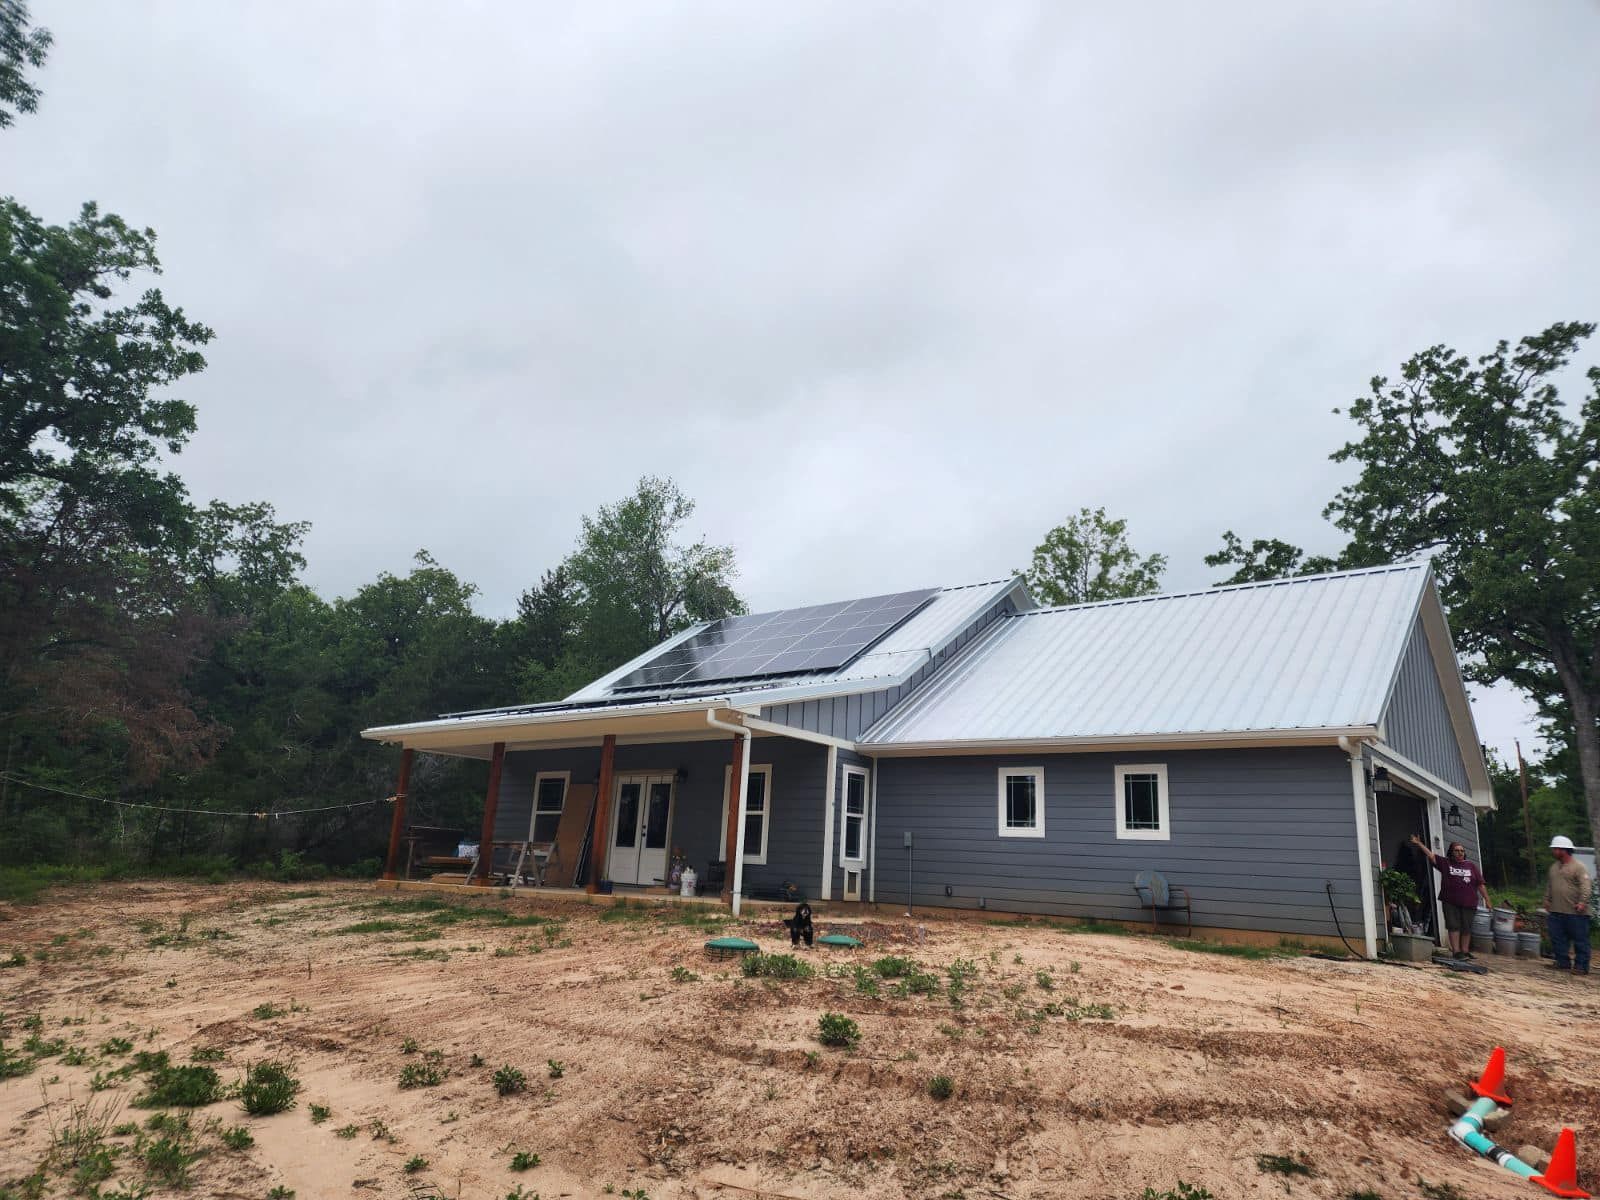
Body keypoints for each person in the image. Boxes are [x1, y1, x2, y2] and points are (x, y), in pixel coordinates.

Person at [1410, 835, 1492, 958]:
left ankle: (1465, 951)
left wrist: (1487, 900)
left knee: (1467, 927)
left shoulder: (1471, 866)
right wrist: (1419, 843)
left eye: (1462, 851)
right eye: (1457, 850)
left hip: (1469, 902)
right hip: (1450, 902)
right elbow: (1431, 856)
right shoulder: (1446, 863)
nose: (1460, 853)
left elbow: (1480, 884)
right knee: (1453, 926)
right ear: (1451, 852)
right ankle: (1456, 951)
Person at [1544, 835, 1592, 976]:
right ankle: (1562, 962)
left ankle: (1581, 966)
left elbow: (1586, 886)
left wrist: (1582, 902)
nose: (1553, 851)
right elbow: (1549, 885)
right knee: (1557, 937)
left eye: (1555, 849)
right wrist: (1547, 899)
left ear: (1563, 850)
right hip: (1557, 910)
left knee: (1580, 940)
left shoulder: (1579, 867)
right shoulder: (1554, 868)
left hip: (1575, 912)